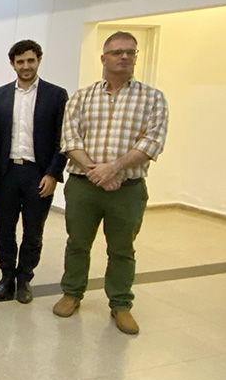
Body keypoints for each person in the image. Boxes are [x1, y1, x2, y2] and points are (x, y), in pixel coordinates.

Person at [54, 31, 168, 335]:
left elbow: (153, 142)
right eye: (117, 52)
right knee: (77, 243)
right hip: (83, 185)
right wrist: (95, 171)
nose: (125, 57)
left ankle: (120, 304)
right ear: (103, 58)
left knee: (122, 249)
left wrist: (114, 168)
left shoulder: (153, 98)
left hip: (127, 188)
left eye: (131, 52)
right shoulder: (82, 97)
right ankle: (71, 293)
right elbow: (69, 139)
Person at [0, 40, 69, 304]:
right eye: (20, 61)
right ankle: (6, 276)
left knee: (33, 232)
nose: (26, 66)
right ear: (12, 64)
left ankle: (24, 279)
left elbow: (63, 139)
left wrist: (53, 174)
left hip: (38, 174)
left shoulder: (56, 95)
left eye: (30, 60)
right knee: (4, 231)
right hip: (7, 173)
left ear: (39, 61)